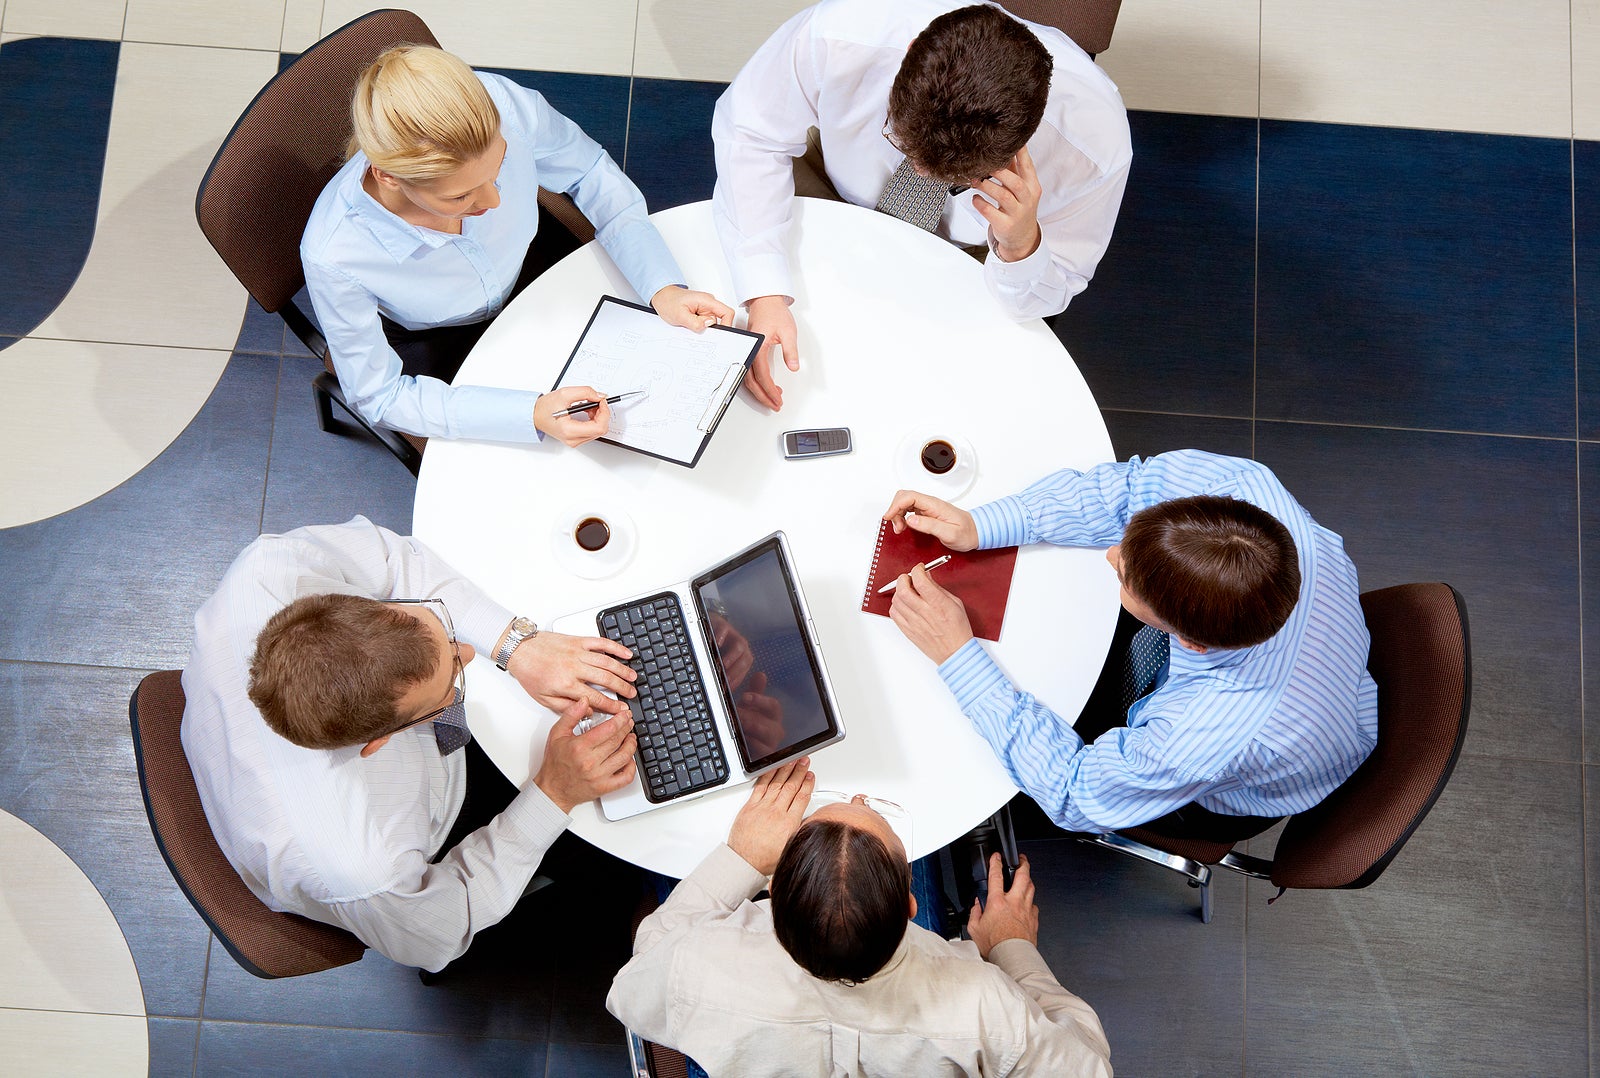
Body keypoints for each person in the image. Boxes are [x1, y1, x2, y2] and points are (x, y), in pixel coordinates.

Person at [181, 516, 643, 971]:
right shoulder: (369, 868)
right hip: (426, 838)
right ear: (378, 742)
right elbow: (447, 921)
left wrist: (514, 646)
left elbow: (392, 558)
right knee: (610, 846)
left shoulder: (269, 570)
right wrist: (554, 793)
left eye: (437, 625)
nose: (466, 653)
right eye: (451, 680)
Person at [883, 450, 1378, 841]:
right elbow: (1128, 491)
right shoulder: (1245, 488)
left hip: (1241, 783)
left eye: (1125, 579)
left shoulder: (1200, 736)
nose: (1110, 554)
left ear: (1190, 643)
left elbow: (1075, 792)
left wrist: (957, 655)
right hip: (1324, 676)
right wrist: (981, 525)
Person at [301, 45, 733, 444]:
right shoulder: (335, 254)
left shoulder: (499, 104)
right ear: (388, 176)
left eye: (499, 167)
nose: (495, 201)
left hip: (534, 263)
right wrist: (527, 415)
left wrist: (663, 286)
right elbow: (379, 396)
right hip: (438, 336)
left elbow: (589, 173)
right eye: (459, 196)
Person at [711, 0, 1131, 410]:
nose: (925, 177)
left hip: (973, 247)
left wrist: (1022, 246)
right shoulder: (840, 34)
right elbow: (749, 134)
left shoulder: (1093, 145)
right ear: (910, 51)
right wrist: (763, 291)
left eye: (961, 179)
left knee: (944, 392)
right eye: (901, 143)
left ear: (1023, 142)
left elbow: (1049, 291)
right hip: (833, 180)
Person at [607, 759, 1114, 1076]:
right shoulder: (985, 1003)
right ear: (911, 906)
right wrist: (1013, 949)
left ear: (771, 891)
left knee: (664, 863)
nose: (855, 798)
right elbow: (1089, 1067)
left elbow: (635, 983)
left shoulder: (699, 967)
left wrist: (740, 855)